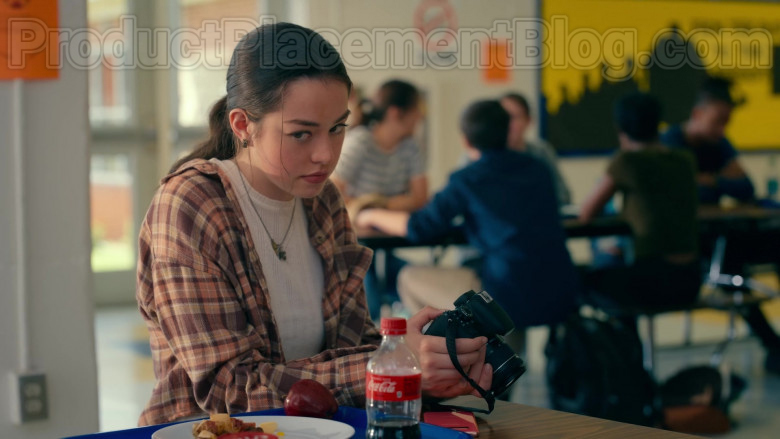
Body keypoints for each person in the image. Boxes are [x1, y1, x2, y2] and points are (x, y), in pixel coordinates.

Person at [135, 23, 491, 426]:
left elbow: (353, 348)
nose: (325, 154)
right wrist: (382, 366)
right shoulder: (192, 206)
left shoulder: (323, 202)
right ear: (242, 125)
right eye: (301, 133)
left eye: (338, 128)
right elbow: (229, 389)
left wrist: (414, 363)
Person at [356, 99, 580, 331]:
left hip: (507, 296)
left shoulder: (468, 179)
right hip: (560, 290)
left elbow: (418, 226)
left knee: (408, 277)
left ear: (465, 140)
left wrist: (370, 214)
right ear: (508, 130)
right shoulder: (539, 169)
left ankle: (450, 358)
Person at [579, 93, 702, 312]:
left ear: (620, 129)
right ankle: (630, 344)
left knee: (579, 281)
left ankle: (625, 345)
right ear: (658, 124)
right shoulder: (685, 159)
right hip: (691, 278)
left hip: (652, 281)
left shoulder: (627, 161)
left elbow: (586, 213)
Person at [331, 79, 427, 320]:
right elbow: (333, 194)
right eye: (417, 110)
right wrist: (395, 203)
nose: (420, 117)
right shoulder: (361, 142)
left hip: (387, 242)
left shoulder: (410, 147)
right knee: (371, 299)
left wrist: (370, 205)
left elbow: (420, 198)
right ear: (396, 113)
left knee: (414, 287)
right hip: (354, 243)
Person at [661, 76, 754, 205]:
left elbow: (747, 188)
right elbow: (678, 189)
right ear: (697, 114)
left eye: (726, 123)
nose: (722, 130)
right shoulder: (668, 143)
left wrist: (710, 180)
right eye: (717, 121)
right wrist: (721, 179)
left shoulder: (719, 143)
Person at [501, 93, 571, 206]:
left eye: (515, 117)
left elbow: (562, 195)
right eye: (503, 118)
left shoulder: (541, 152)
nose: (508, 124)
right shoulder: (481, 155)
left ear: (528, 121)